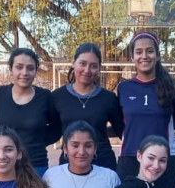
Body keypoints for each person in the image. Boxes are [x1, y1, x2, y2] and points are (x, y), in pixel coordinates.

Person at [116, 32, 175, 188]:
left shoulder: (171, 86)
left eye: (149, 51)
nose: (144, 56)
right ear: (132, 57)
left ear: (158, 55)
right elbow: (119, 125)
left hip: (163, 160)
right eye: (139, 52)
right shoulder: (124, 88)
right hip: (130, 158)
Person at [51, 43, 125, 171]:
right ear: (73, 62)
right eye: (82, 64)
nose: (87, 70)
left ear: (99, 68)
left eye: (93, 66)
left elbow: (122, 130)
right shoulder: (58, 97)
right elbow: (53, 131)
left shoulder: (108, 98)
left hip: (103, 164)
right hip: (69, 165)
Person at [0, 47, 61, 176]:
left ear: (35, 71)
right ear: (11, 70)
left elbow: (56, 130)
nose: (25, 72)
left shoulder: (45, 97)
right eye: (19, 67)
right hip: (5, 166)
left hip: (36, 166)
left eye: (30, 68)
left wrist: (36, 140)